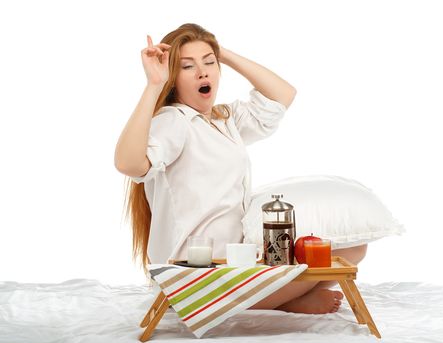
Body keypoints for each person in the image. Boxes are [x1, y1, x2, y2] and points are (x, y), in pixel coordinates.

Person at [114, 23, 369, 314]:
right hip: (197, 270)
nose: (203, 72)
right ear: (173, 78)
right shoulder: (175, 121)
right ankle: (283, 303)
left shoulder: (225, 119)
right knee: (332, 264)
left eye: (209, 62)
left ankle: (274, 298)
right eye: (188, 66)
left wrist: (224, 53)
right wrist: (153, 85)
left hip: (239, 260)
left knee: (352, 250)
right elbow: (128, 163)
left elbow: (282, 95)